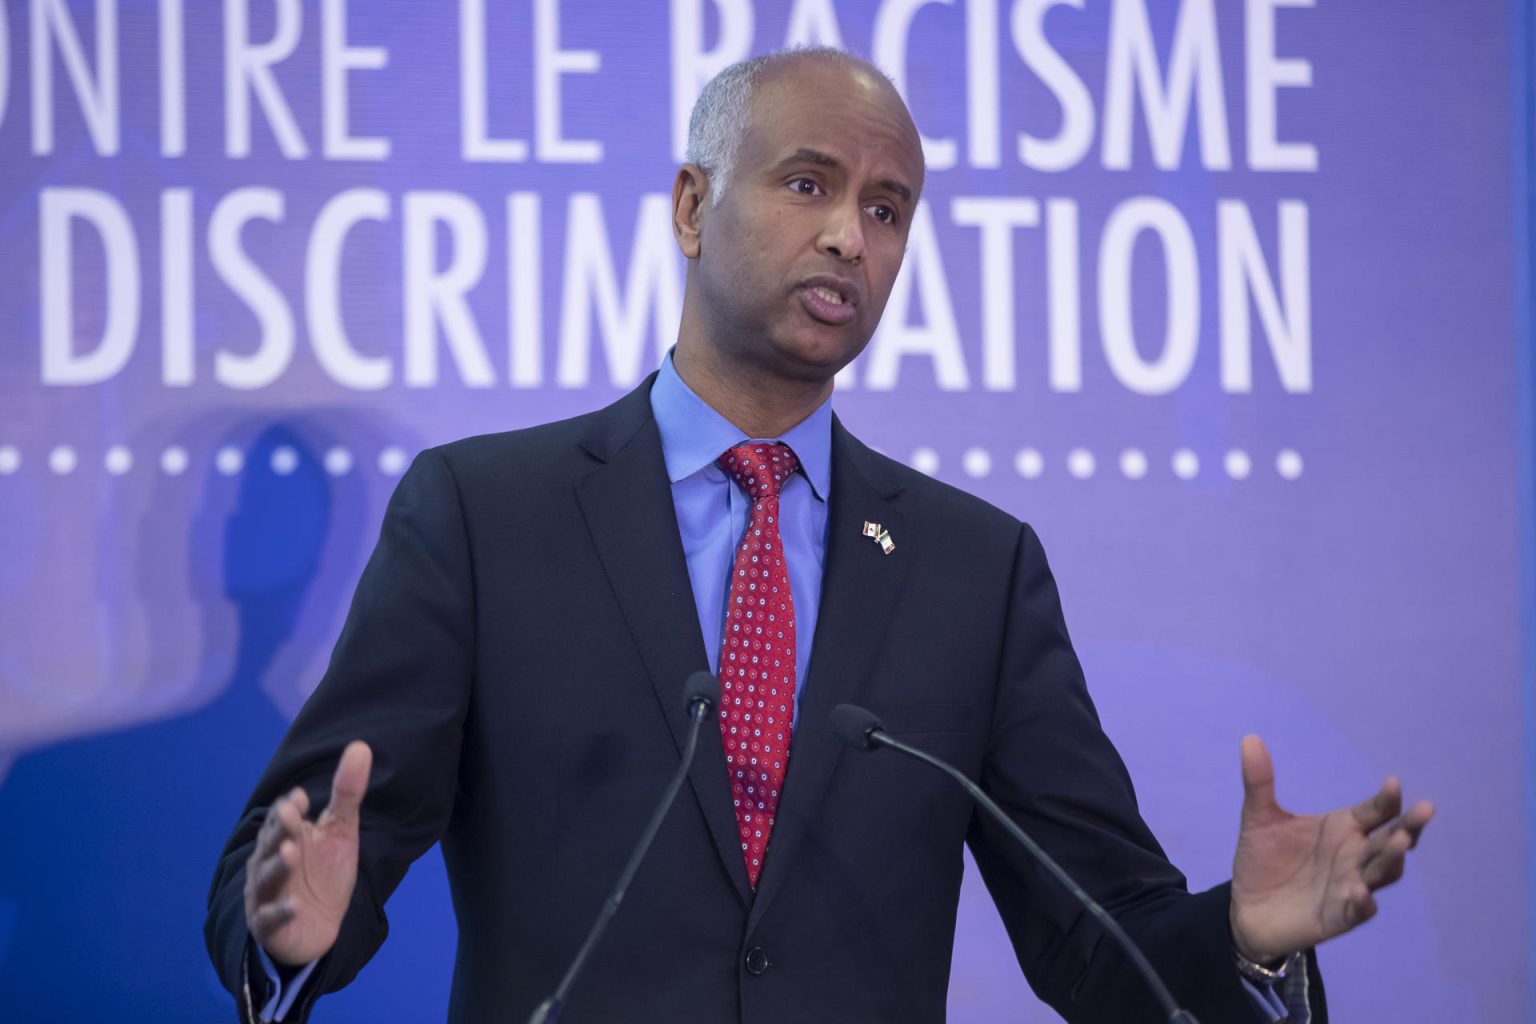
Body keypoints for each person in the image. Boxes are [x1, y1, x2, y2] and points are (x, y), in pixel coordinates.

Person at [206, 47, 1432, 1023]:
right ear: (693, 205)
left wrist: (1242, 945)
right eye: (809, 184)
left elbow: (1098, 935)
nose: (853, 235)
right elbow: (305, 855)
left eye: (888, 208)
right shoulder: (484, 514)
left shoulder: (976, 569)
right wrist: (288, 929)